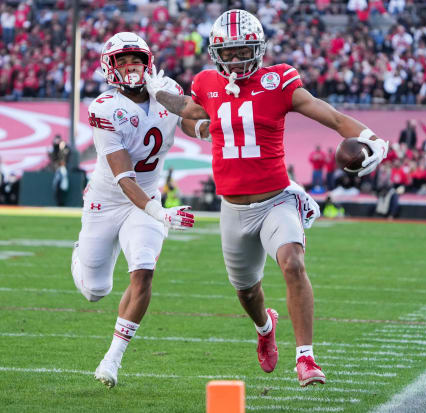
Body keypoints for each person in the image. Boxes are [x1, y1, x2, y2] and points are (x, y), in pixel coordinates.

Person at [145, 9, 389, 387]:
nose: (236, 59)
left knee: (292, 263)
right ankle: (265, 326)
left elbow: (331, 116)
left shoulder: (279, 81)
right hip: (233, 208)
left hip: (276, 199)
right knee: (247, 292)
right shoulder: (207, 83)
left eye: (243, 50)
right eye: (228, 52)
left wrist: (373, 139)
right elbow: (189, 113)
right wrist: (157, 92)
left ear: (258, 49)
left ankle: (306, 358)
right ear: (216, 53)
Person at [70, 32, 204, 389]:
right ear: (110, 67)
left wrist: (201, 123)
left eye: (137, 60)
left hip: (145, 198)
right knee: (95, 291)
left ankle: (111, 360)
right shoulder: (102, 107)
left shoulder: (165, 88)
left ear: (149, 63)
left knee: (143, 271)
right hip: (108, 198)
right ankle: (81, 253)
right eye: (124, 61)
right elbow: (123, 176)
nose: (132, 68)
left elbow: (194, 122)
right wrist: (161, 214)